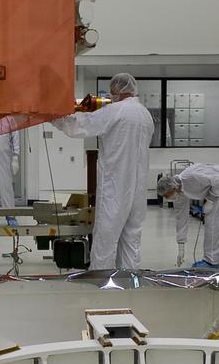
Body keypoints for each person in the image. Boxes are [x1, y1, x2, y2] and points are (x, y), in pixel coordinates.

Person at [53, 73, 154, 270]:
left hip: (116, 185)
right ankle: (129, 280)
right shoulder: (145, 115)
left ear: (116, 91)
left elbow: (78, 126)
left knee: (106, 237)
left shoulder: (116, 111)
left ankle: (101, 281)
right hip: (139, 188)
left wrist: (53, 118)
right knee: (131, 238)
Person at [156, 164, 219, 270]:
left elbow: (218, 180)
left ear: (173, 187)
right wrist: (181, 245)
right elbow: (180, 218)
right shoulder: (179, 193)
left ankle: (211, 261)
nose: (168, 198)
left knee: (213, 220)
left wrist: (210, 200)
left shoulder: (191, 176)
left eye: (168, 194)